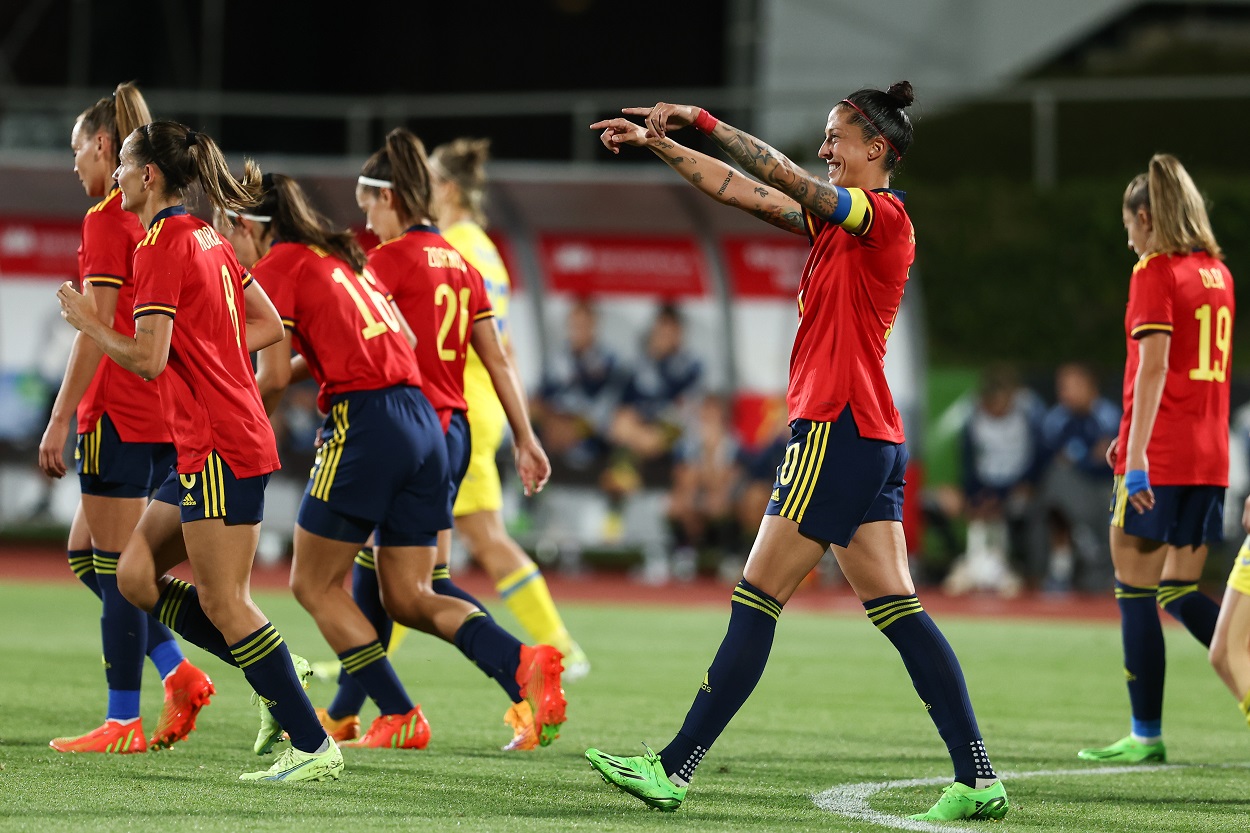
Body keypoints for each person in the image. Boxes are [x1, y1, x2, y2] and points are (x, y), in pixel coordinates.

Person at [584, 83, 1008, 821]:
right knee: (900, 609)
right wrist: (663, 145)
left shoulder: (884, 217)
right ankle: (978, 776)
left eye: (836, 137)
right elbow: (743, 190)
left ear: (876, 149)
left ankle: (673, 767)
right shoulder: (834, 229)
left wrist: (705, 118)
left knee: (757, 593)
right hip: (866, 432)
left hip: (837, 427)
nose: (825, 150)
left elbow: (784, 176)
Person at [56, 121, 341, 782]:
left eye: (124, 165)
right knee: (131, 574)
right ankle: (271, 667)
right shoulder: (209, 237)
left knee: (224, 601)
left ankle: (309, 738)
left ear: (147, 174)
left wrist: (92, 323)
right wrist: (212, 351)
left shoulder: (159, 246)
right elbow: (266, 325)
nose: (117, 176)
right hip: (213, 438)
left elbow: (148, 360)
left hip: (217, 443)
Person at [317, 128, 566, 752]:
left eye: (368, 201)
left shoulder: (388, 262)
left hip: (401, 428)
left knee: (395, 588)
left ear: (391, 198)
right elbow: (500, 360)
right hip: (452, 431)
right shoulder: (463, 261)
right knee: (402, 579)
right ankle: (352, 711)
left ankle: (515, 668)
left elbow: (352, 348)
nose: (364, 215)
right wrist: (526, 437)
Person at [38, 83, 212, 754]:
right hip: (164, 414)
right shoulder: (162, 218)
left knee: (113, 565)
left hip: (118, 410)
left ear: (105, 146)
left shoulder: (108, 216)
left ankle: (122, 720)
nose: (74, 165)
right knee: (89, 554)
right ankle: (179, 670)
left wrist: (60, 418)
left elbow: (95, 328)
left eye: (78, 150)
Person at [1078, 154, 1234, 764]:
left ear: (1146, 217)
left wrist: (1135, 453)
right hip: (1210, 454)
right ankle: (1241, 656)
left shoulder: (1156, 270)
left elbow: (1155, 365)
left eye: (1129, 225)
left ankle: (1146, 734)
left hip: (1162, 457)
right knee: (1179, 589)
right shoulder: (1217, 273)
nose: (1128, 238)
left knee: (1135, 589)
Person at [428, 136, 590, 680]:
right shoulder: (487, 249)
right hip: (480, 405)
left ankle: (559, 647)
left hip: (459, 405)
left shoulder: (450, 246)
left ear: (446, 189)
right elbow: (507, 343)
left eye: (426, 182)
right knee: (424, 542)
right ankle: (363, 667)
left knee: (444, 542)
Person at [943, 364, 1042, 596]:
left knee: (1021, 508)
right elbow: (968, 461)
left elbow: (1039, 455)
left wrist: (1024, 486)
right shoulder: (973, 417)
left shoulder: (1028, 413)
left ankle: (1015, 568)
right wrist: (974, 494)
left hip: (1020, 485)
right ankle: (975, 564)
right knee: (973, 511)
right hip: (986, 484)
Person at [1030, 362, 1120, 593]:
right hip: (1070, 490)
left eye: (1072, 386)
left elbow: (1109, 463)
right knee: (1056, 484)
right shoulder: (1056, 418)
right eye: (1062, 387)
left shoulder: (1109, 415)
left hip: (1105, 488)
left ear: (1090, 387)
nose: (1065, 394)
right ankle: (1061, 567)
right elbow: (1046, 461)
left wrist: (1080, 459)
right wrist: (1088, 457)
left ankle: (1101, 565)